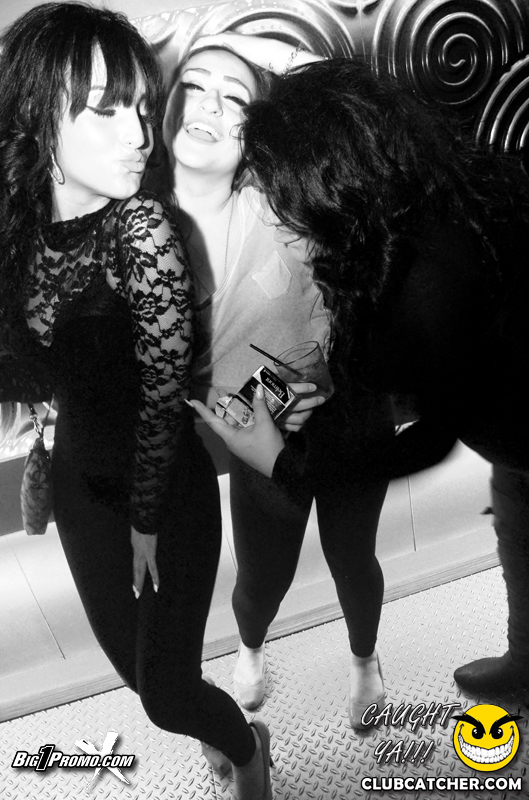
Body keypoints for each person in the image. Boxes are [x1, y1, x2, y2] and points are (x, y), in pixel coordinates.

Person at [192, 57, 529, 701]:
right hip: (507, 433)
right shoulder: (444, 195)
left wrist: (280, 462)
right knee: (517, 531)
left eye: (284, 196)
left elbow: (431, 438)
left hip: (518, 430)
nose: (277, 213)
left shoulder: (423, 284)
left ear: (332, 186)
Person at [0, 5, 272, 798]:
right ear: (36, 117)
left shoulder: (142, 229)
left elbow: (160, 397)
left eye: (143, 110)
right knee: (138, 674)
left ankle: (249, 753)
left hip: (162, 488)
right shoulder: (19, 232)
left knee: (165, 693)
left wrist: (145, 520)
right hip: (81, 484)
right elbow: (42, 368)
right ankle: (219, 726)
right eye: (106, 109)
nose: (140, 134)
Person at [158, 35, 395, 727]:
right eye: (194, 87)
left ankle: (364, 660)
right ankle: (251, 648)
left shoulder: (282, 195)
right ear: (165, 109)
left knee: (354, 559)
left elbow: (342, 90)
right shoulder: (137, 235)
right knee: (262, 577)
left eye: (233, 97)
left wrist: (220, 47)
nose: (210, 104)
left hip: (351, 410)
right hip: (255, 437)